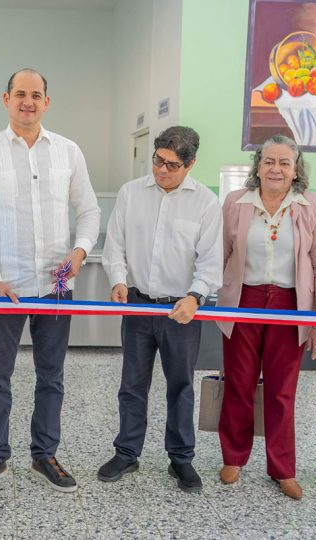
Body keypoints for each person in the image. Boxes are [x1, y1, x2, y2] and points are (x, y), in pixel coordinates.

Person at [0, 68, 100, 494]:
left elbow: (89, 211)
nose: (28, 101)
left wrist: (79, 252)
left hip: (55, 288)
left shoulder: (68, 151)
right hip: (4, 289)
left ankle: (45, 455)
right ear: (6, 99)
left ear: (47, 102)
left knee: (51, 376)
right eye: (20, 93)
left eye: (36, 95)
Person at [99, 126, 222, 493]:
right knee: (132, 384)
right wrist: (118, 279)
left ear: (190, 164)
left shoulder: (205, 203)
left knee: (181, 385)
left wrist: (195, 296)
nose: (161, 170)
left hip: (181, 310)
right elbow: (115, 244)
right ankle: (127, 452)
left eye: (172, 165)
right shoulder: (131, 192)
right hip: (138, 305)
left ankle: (181, 458)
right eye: (157, 161)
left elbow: (211, 262)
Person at [216, 134, 316, 500]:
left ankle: (282, 468)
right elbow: (221, 255)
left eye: (285, 162)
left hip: (290, 303)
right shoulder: (236, 202)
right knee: (239, 382)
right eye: (269, 161)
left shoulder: (313, 205)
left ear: (296, 169)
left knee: (282, 391)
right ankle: (234, 457)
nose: (276, 169)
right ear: (258, 166)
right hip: (243, 300)